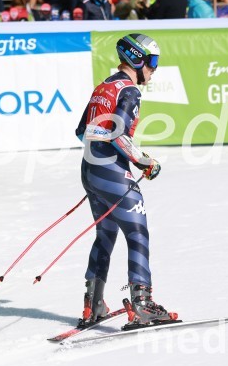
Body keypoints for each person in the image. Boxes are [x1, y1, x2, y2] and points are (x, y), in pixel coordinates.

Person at [74, 33, 176, 328]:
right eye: (153, 61)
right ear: (138, 58)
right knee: (137, 233)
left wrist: (100, 158)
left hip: (91, 170)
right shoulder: (130, 91)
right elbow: (119, 134)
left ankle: (92, 305)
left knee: (105, 235)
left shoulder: (105, 85)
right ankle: (142, 304)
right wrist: (145, 161)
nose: (154, 69)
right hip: (112, 172)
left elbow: (82, 131)